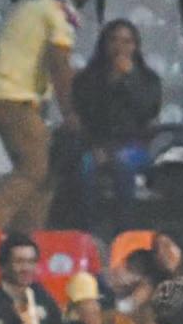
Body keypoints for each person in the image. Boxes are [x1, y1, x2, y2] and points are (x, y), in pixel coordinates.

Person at [0, 0, 97, 233]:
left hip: (0, 94)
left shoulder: (35, 0)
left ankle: (27, 238)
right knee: (34, 168)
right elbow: (59, 66)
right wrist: (70, 113)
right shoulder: (57, 14)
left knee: (46, 175)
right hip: (11, 98)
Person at [68, 19, 162, 233]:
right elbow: (83, 117)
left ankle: (124, 232)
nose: (120, 47)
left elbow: (147, 112)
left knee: (124, 162)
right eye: (114, 40)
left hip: (135, 146)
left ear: (135, 46)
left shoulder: (148, 80)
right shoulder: (87, 79)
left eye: (127, 42)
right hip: (95, 144)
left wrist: (129, 80)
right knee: (85, 164)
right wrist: (95, 146)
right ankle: (87, 232)